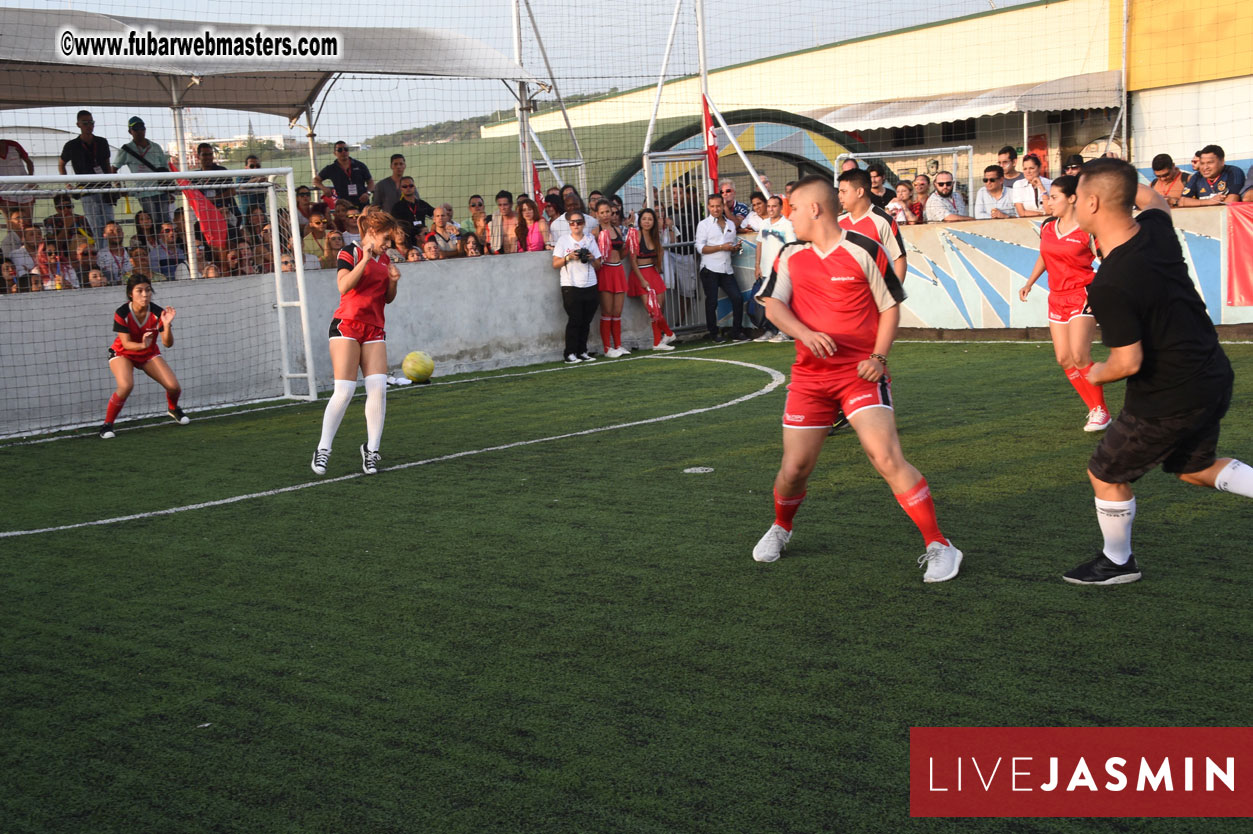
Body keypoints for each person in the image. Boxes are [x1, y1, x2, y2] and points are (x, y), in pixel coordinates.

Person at [750, 175, 961, 581]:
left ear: (815, 209)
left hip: (859, 374)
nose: (788, 216)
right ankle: (781, 527)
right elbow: (773, 305)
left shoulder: (865, 249)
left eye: (792, 208)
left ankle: (940, 545)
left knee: (885, 457)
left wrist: (879, 357)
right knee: (794, 469)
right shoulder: (791, 255)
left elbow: (889, 307)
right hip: (810, 379)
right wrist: (806, 333)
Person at [1063, 159, 1253, 584]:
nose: (1073, 203)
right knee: (1193, 468)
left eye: (1077, 196)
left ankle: (1117, 563)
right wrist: (1123, 176)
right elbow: (1154, 201)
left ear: (1092, 203)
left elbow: (1127, 362)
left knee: (1105, 473)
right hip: (1211, 375)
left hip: (1169, 397)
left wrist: (1093, 374)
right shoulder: (1156, 231)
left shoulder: (1110, 282)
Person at [311, 211, 404, 476]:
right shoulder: (349, 252)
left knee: (378, 390)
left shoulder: (385, 260)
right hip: (347, 325)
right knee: (345, 390)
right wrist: (364, 260)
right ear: (373, 232)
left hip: (374, 327)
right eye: (387, 238)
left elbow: (386, 299)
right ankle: (323, 449)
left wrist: (394, 282)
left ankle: (372, 450)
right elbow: (343, 286)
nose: (389, 245)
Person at [1018, 174, 1109, 432]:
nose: (1048, 202)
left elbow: (1108, 260)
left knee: (1080, 355)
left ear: (1071, 199)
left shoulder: (1087, 230)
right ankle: (1094, 408)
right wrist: (1029, 282)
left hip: (1082, 294)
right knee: (1064, 358)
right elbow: (1045, 257)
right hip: (1056, 297)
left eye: (1054, 197)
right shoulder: (1048, 227)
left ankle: (1101, 410)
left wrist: (1103, 290)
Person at [98, 274, 188, 439]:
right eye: (139, 291)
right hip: (122, 353)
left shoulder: (157, 312)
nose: (145, 295)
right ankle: (107, 425)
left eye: (148, 290)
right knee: (126, 386)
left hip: (148, 353)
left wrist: (166, 326)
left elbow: (167, 344)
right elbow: (125, 344)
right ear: (131, 294)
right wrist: (142, 345)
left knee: (174, 387)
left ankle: (173, 408)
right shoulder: (122, 312)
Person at [836, 168, 906, 283]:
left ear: (859, 192)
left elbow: (899, 259)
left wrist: (894, 296)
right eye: (839, 192)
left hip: (873, 295)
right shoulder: (838, 222)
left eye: (843, 191)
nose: (839, 196)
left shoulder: (883, 221)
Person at [695, 192, 748, 342]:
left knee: (737, 298)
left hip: (726, 268)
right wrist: (721, 247)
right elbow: (700, 248)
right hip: (709, 268)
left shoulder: (731, 224)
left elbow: (729, 245)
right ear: (708, 207)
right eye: (712, 206)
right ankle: (713, 333)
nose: (716, 209)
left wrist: (734, 248)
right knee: (711, 302)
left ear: (723, 206)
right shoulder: (703, 224)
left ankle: (736, 332)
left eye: (718, 206)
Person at [552, 210, 603, 363]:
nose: (576, 225)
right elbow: (555, 263)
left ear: (584, 223)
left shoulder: (589, 240)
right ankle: (569, 353)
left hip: (590, 284)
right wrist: (569, 257)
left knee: (586, 320)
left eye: (579, 222)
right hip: (571, 285)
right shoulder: (563, 240)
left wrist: (591, 258)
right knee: (575, 320)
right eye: (572, 223)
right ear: (569, 225)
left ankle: (582, 350)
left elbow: (599, 265)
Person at [58, 109, 115, 241]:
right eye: (85, 123)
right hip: (86, 190)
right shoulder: (71, 145)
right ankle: (101, 254)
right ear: (78, 124)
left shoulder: (102, 142)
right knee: (96, 225)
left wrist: (111, 182)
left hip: (105, 188)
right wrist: (67, 183)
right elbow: (61, 164)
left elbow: (107, 163)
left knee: (110, 225)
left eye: (91, 122)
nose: (89, 126)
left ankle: (112, 252)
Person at [626, 207, 676, 351]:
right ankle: (669, 333)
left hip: (653, 273)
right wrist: (642, 280)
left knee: (658, 309)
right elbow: (633, 261)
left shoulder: (655, 236)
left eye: (650, 219)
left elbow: (658, 259)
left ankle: (657, 342)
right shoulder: (636, 234)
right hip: (640, 274)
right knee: (652, 309)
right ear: (640, 221)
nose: (647, 222)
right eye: (644, 219)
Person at [112, 117, 172, 223]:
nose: (140, 131)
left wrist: (169, 190)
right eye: (136, 128)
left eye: (142, 128)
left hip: (161, 191)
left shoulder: (156, 147)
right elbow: (113, 169)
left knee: (166, 222)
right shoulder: (126, 149)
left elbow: (165, 169)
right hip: (144, 193)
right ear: (130, 131)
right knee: (152, 222)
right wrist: (118, 186)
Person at [752, 194, 795, 343]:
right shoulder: (764, 224)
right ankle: (771, 331)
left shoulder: (787, 225)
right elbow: (759, 244)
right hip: (765, 271)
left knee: (782, 303)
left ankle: (785, 332)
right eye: (769, 206)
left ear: (781, 208)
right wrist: (757, 265)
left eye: (774, 206)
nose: (770, 209)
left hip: (780, 271)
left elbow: (790, 247)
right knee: (768, 305)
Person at [593, 199, 632, 357]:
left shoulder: (617, 230)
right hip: (605, 271)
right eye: (602, 212)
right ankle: (607, 348)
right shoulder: (596, 231)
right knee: (607, 311)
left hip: (618, 270)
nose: (605, 215)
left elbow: (621, 254)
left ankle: (618, 345)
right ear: (597, 215)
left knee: (617, 312)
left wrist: (629, 245)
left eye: (608, 212)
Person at [1178, 144, 1245, 206]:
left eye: (1209, 163)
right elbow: (1182, 201)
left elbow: (1231, 201)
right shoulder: (1197, 176)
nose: (1205, 167)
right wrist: (1209, 201)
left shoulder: (1233, 172)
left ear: (1222, 162)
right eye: (1202, 163)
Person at [315, 141, 373, 210]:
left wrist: (367, 193)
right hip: (343, 206)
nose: (343, 152)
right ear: (335, 153)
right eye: (340, 150)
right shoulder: (331, 168)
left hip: (362, 203)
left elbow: (370, 182)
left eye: (346, 149)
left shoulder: (360, 165)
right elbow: (316, 180)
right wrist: (324, 188)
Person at [389, 176, 433, 246]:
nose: (408, 188)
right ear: (401, 188)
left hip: (423, 240)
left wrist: (433, 227)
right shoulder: (397, 207)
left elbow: (435, 214)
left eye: (411, 185)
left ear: (414, 187)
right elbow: (395, 226)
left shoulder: (421, 203)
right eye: (405, 186)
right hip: (407, 242)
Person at [487, 190, 519, 254]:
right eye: (500, 205)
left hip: (519, 255)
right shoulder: (494, 220)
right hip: (501, 256)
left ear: (511, 204)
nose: (502, 208)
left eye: (505, 205)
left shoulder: (519, 219)